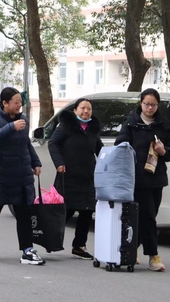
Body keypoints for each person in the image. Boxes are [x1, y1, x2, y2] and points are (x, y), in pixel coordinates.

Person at [0, 87, 45, 265]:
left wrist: (35, 162)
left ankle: (27, 250)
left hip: (20, 174)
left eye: (20, 102)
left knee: (24, 212)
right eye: (16, 102)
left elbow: (26, 144)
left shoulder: (23, 120)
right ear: (5, 103)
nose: (19, 105)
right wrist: (11, 127)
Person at [115, 88, 170, 272]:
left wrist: (163, 151)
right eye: (147, 104)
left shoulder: (163, 124)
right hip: (136, 178)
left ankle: (132, 249)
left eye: (153, 105)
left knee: (148, 216)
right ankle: (153, 256)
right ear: (141, 103)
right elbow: (120, 145)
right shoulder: (131, 123)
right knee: (148, 217)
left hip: (156, 178)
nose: (150, 108)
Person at [48, 98, 103, 260]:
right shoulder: (66, 126)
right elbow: (53, 144)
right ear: (75, 110)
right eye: (82, 108)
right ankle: (51, 240)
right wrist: (59, 163)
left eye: (89, 109)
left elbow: (100, 150)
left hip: (87, 177)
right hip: (69, 175)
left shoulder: (92, 129)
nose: (86, 111)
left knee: (87, 211)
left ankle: (79, 246)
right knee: (66, 211)